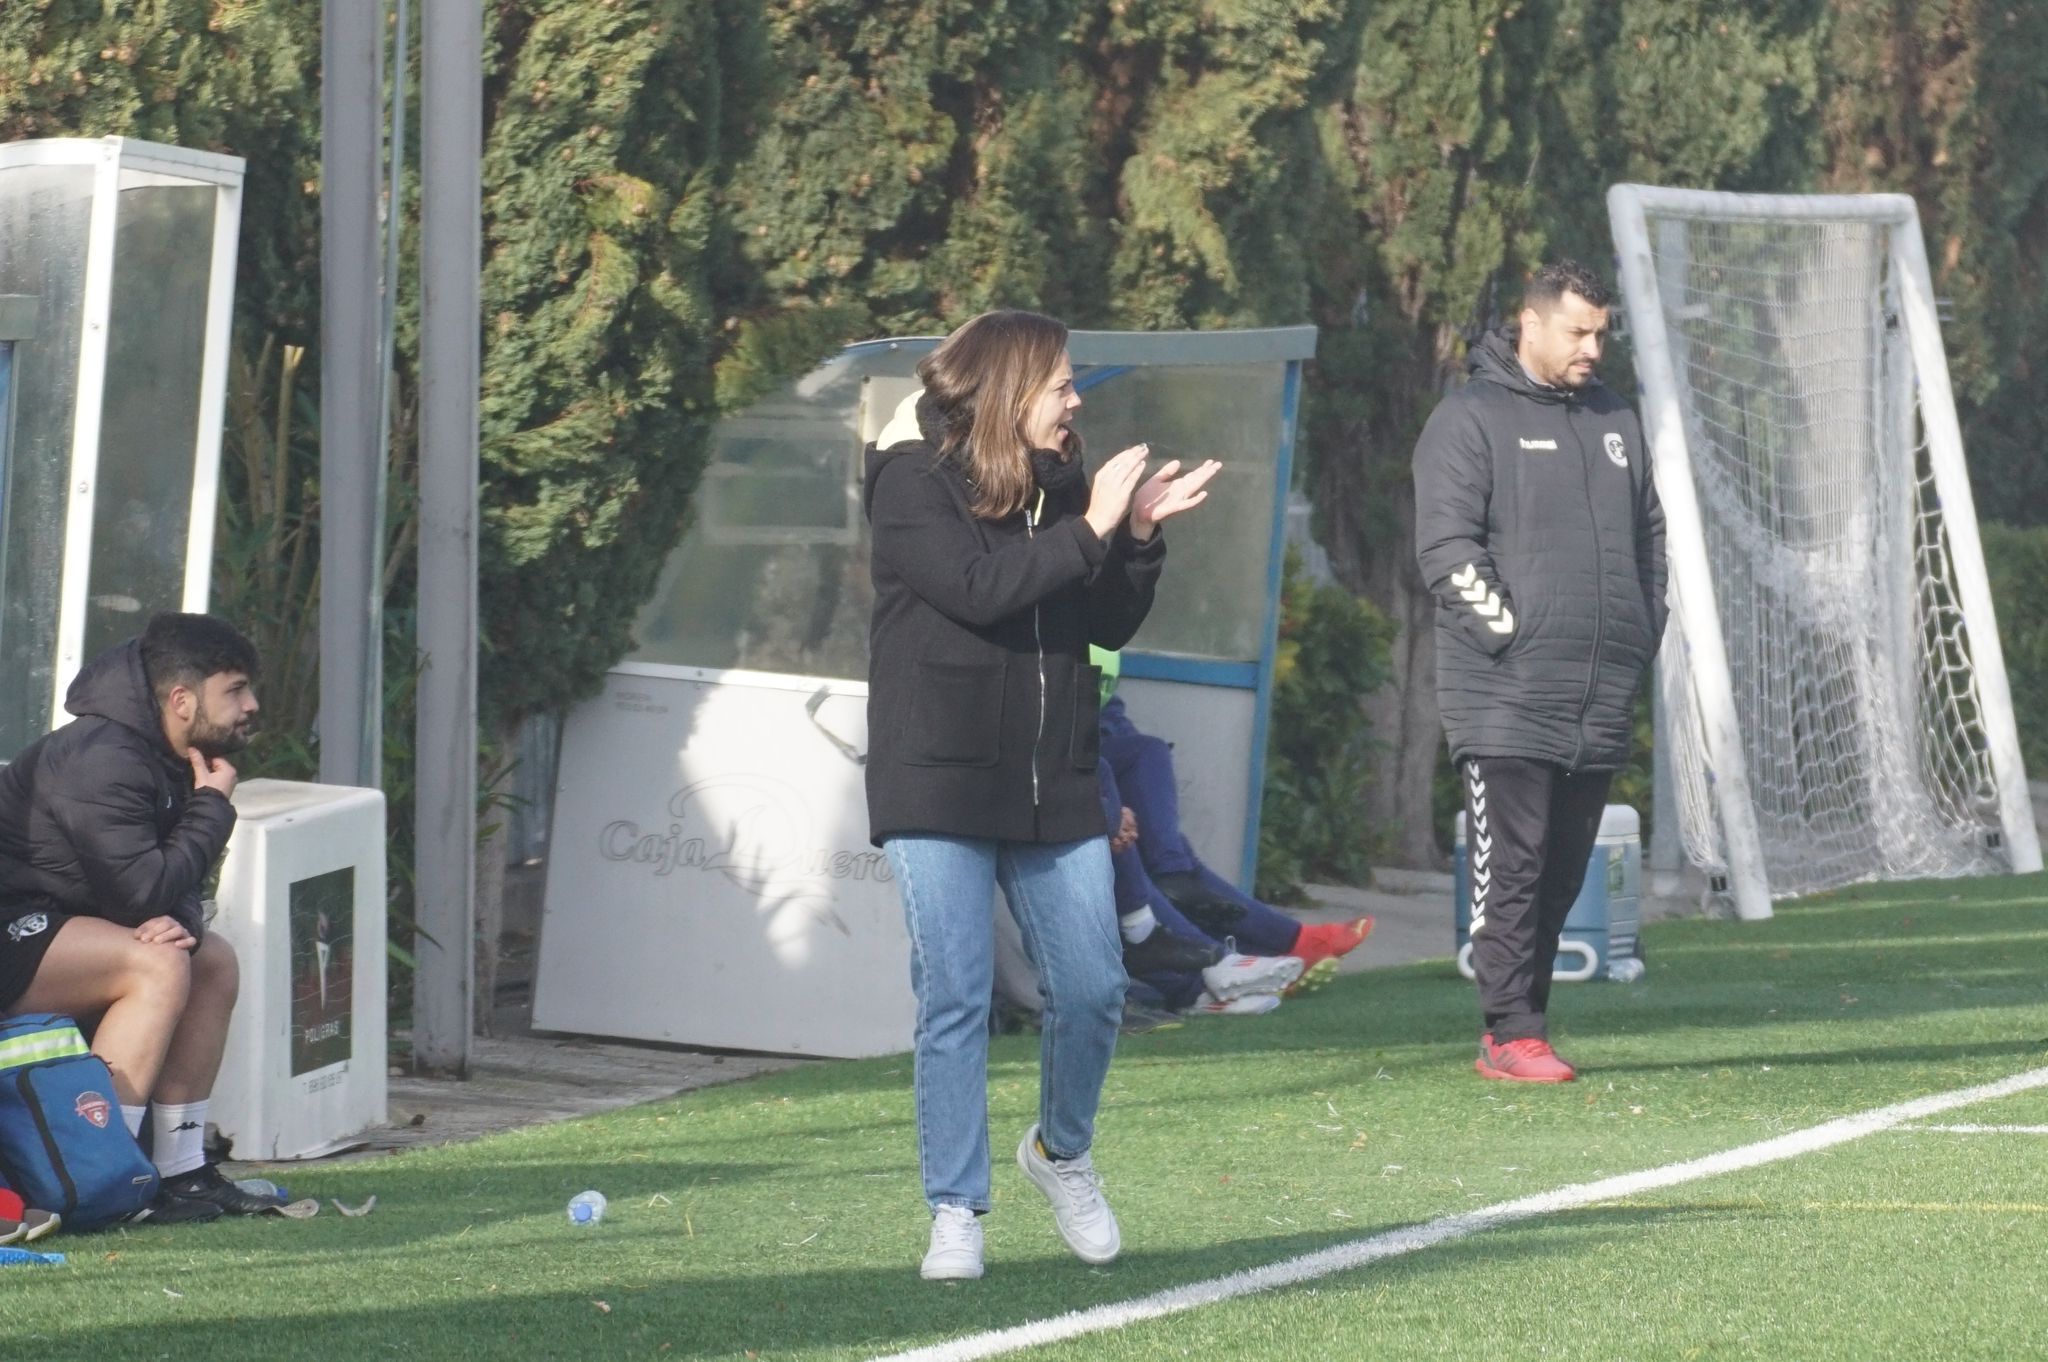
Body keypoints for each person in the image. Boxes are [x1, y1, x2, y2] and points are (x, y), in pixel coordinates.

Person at [864, 309, 1219, 1281]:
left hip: (1051, 782)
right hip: (934, 778)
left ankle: (1060, 1154)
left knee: (1096, 987)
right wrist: (1096, 523)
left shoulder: (1066, 487)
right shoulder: (908, 484)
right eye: (1060, 385)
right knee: (955, 995)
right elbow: (979, 588)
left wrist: (1134, 535)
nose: (1073, 402)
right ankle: (954, 1210)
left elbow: (1100, 613)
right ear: (1010, 391)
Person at [1412, 259, 1666, 1084]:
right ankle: (1506, 1032)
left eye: (1602, 332)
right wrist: (1512, 637)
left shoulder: (1615, 418)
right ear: (1531, 324)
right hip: (1505, 694)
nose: (1593, 346)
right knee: (1512, 869)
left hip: (1596, 695)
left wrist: (1638, 630)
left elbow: (1649, 539)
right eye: (1578, 331)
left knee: (1559, 875)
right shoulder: (1469, 419)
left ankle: (1530, 1025)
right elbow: (1447, 552)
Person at [0, 612, 282, 1219]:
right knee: (155, 965)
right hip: (12, 931)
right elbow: (137, 893)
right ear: (181, 699)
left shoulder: (172, 753)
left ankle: (181, 1171)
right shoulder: (102, 757)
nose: (251, 704)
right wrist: (212, 808)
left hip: (65, 931)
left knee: (210, 961)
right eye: (234, 689)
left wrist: (186, 920)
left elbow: (168, 884)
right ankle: (106, 1174)